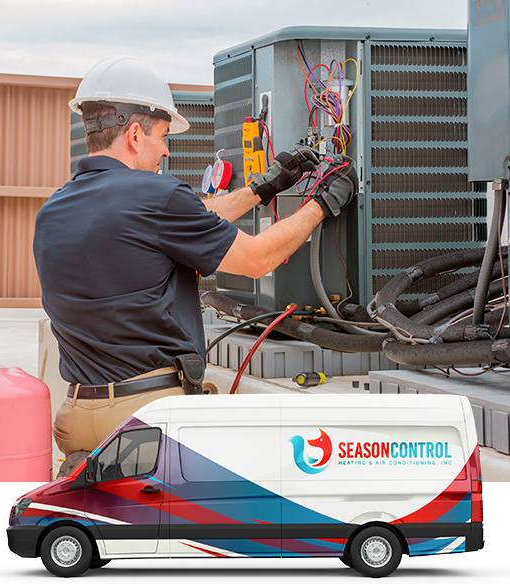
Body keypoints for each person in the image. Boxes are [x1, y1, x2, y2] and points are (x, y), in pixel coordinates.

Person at [33, 56, 357, 475]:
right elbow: (258, 259)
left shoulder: (56, 208)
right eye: (164, 136)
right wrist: (323, 204)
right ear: (135, 133)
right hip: (146, 417)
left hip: (77, 417)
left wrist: (263, 189)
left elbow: (186, 220)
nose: (167, 150)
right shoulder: (155, 196)